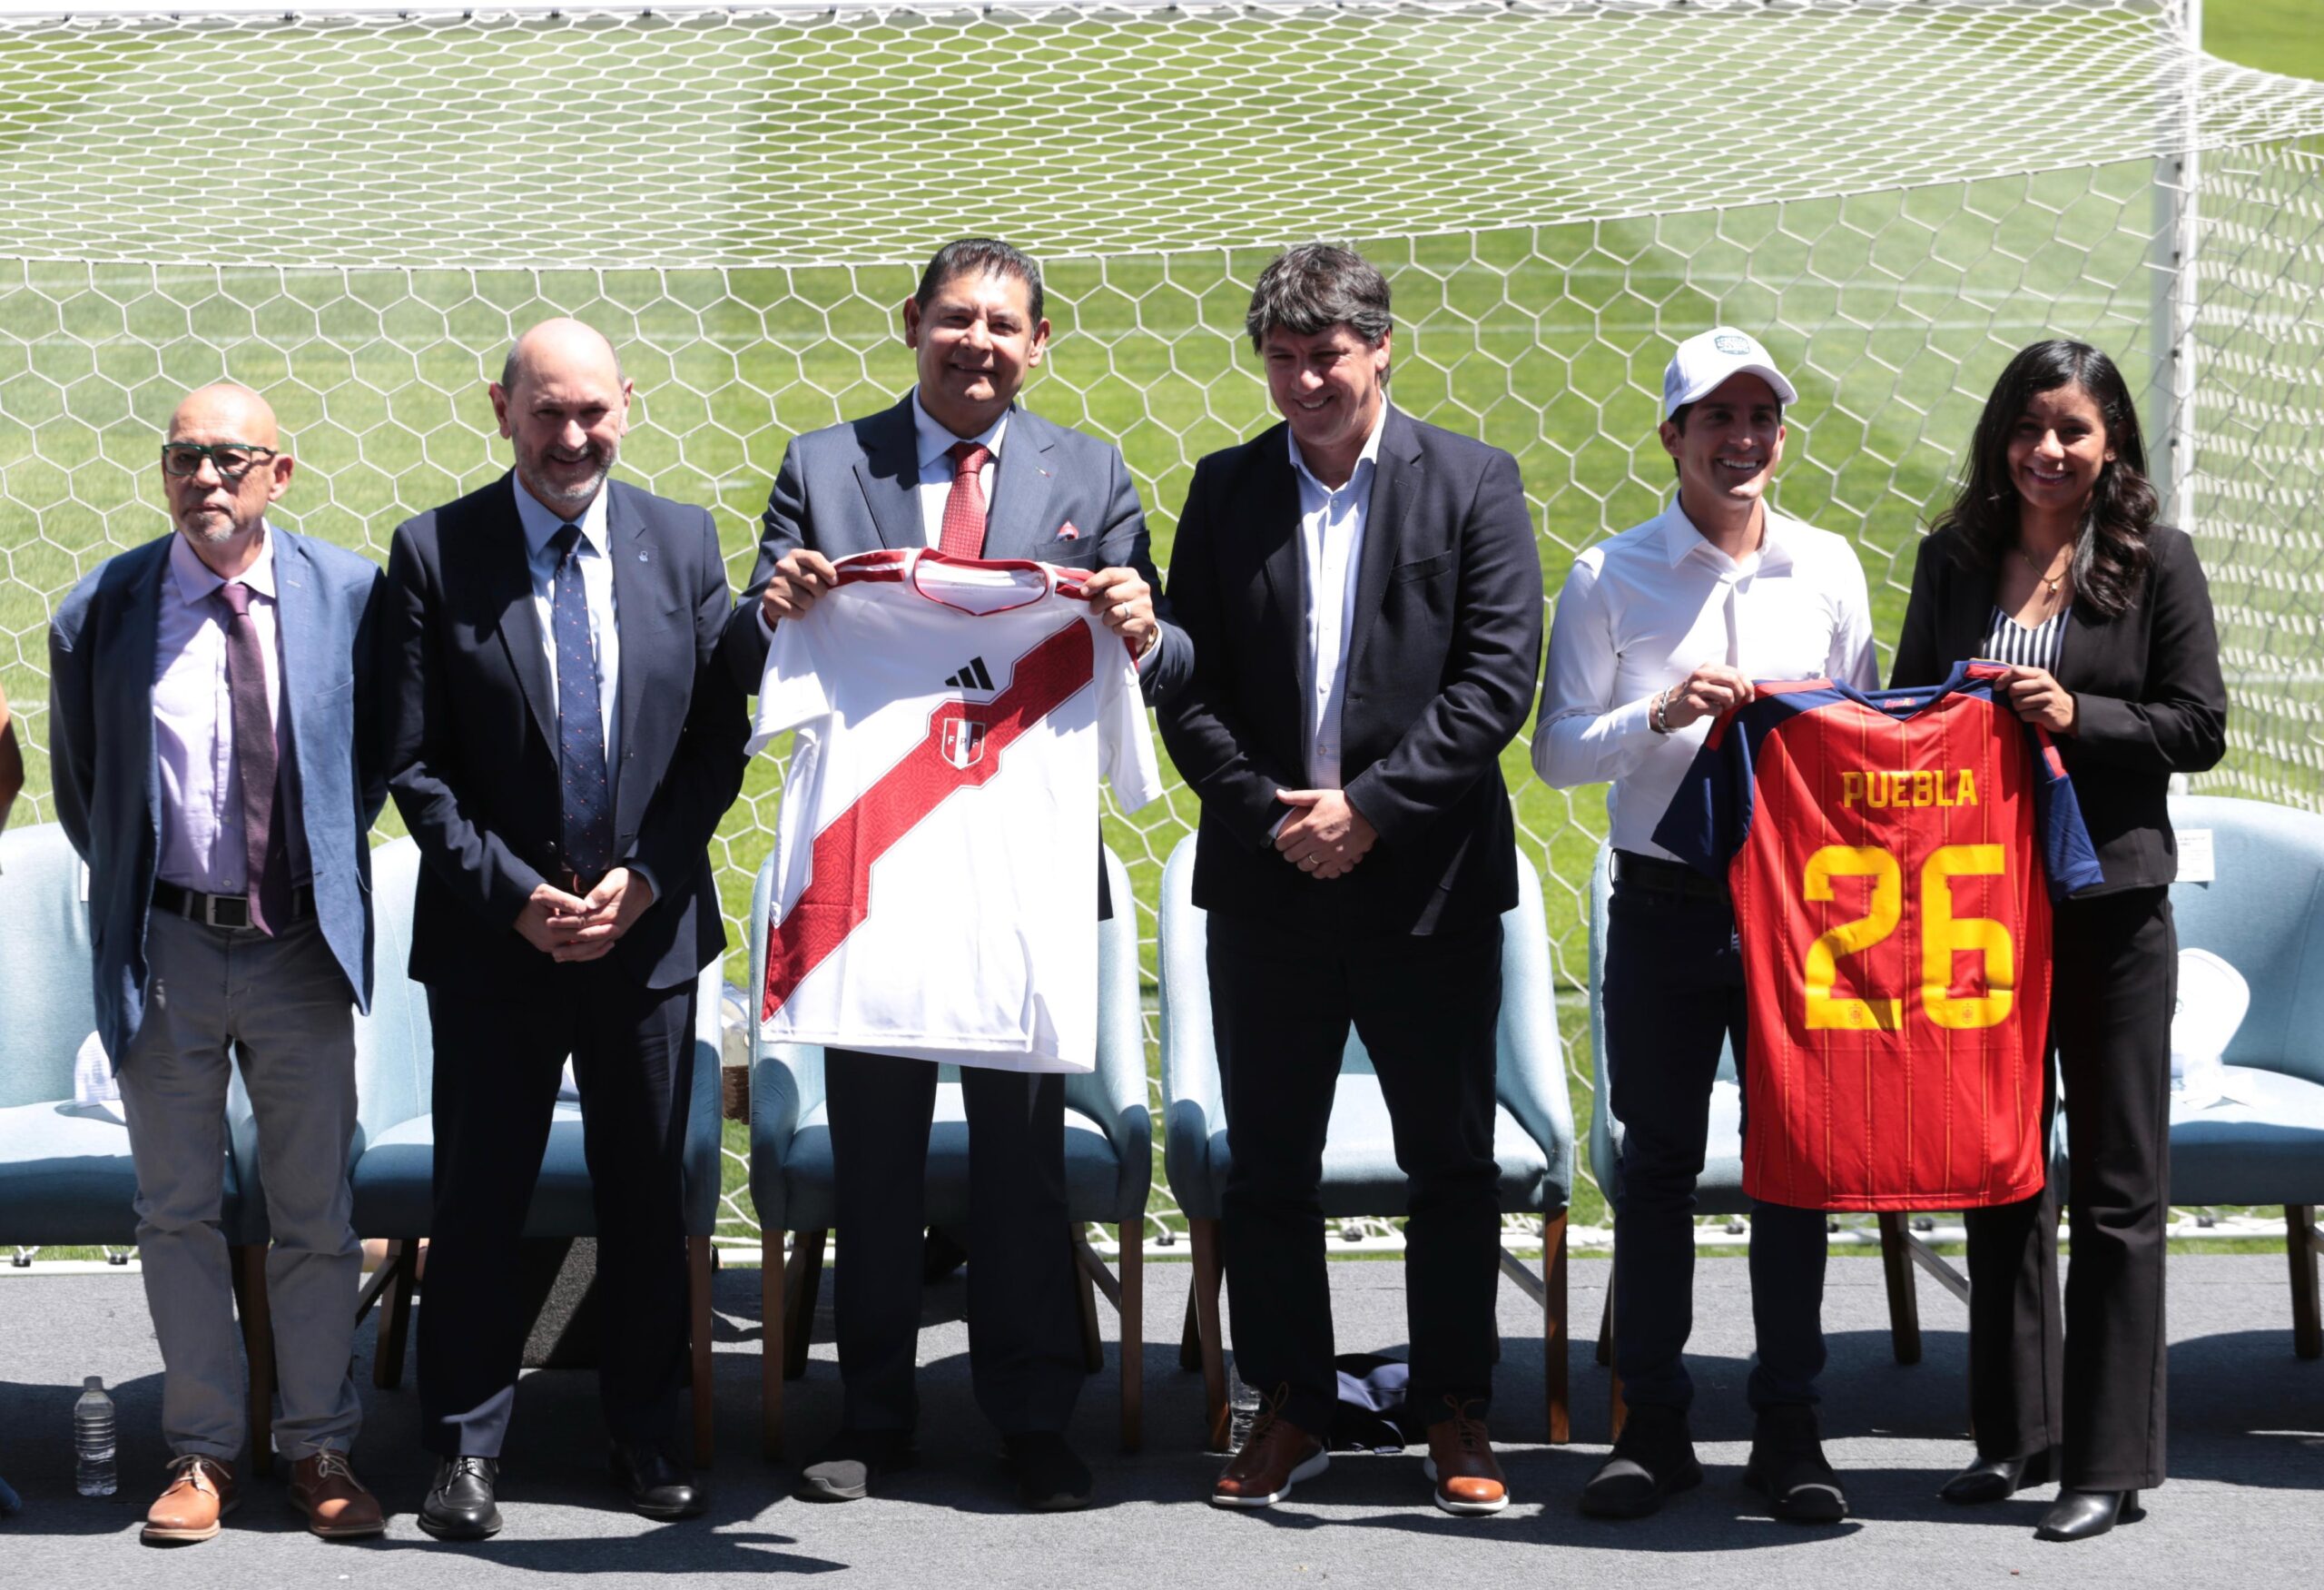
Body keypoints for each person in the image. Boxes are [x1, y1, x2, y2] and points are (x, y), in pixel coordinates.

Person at [719, 237, 1187, 1512]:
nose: (978, 341)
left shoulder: (1087, 469)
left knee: (1021, 1161)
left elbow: (1167, 650)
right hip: (874, 872)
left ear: (1039, 344)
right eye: (956, 318)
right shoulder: (826, 466)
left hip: (1024, 875)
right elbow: (752, 633)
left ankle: (1033, 1415)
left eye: (1005, 324)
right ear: (911, 321)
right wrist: (774, 602)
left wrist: (1147, 628)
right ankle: (871, 1410)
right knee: (871, 1154)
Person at [1158, 242, 1542, 1516]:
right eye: (1282, 356)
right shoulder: (1223, 491)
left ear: (1381, 346)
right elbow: (1185, 679)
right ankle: (1292, 1403)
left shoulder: (1474, 482)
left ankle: (1452, 1402)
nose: (1306, 378)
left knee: (1450, 1161)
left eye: (1328, 352)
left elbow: (1495, 679)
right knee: (1272, 1165)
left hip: (1424, 884)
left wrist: (1368, 810)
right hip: (1269, 881)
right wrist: (1275, 812)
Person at [383, 319, 750, 1539]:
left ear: (628, 406)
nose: (573, 435)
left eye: (594, 410)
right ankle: (465, 1446)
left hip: (645, 937)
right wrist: (512, 893)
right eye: (548, 412)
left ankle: (645, 1429)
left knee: (645, 1191)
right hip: (500, 943)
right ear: (501, 409)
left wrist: (647, 875)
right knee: (480, 1197)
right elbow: (416, 763)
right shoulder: (435, 551)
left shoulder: (684, 541)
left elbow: (715, 740)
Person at [1534, 328, 1877, 1523]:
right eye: (1715, 420)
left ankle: (1790, 1424)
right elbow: (1557, 749)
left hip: (1797, 912)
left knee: (1796, 1169)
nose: (1741, 440)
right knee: (1660, 1166)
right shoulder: (1608, 573)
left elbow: (1864, 735)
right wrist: (1660, 711)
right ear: (1671, 435)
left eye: (1761, 420)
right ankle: (1656, 1421)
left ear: (1783, 437)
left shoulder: (1829, 568)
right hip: (1666, 906)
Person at [1890, 338, 2225, 1542]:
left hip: (2117, 912)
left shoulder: (2155, 562)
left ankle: (2110, 1459)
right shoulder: (1954, 558)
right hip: (1983, 906)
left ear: (2113, 442)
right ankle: (2015, 1434)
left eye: (2073, 430)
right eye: (2030, 427)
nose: (2048, 450)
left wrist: (2080, 714)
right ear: (2001, 435)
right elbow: (1907, 710)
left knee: (2122, 1190)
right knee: (1998, 1174)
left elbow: (2198, 726)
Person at [47, 382, 388, 1543]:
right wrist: (163, 898)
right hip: (171, 947)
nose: (206, 478)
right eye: (184, 456)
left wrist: (317, 872)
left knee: (315, 1213)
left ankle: (322, 1444)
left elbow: (376, 751)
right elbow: (86, 785)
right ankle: (201, 1451)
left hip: (298, 945)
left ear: (279, 476)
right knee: (176, 1209)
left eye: (231, 458)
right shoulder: (104, 606)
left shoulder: (348, 593)